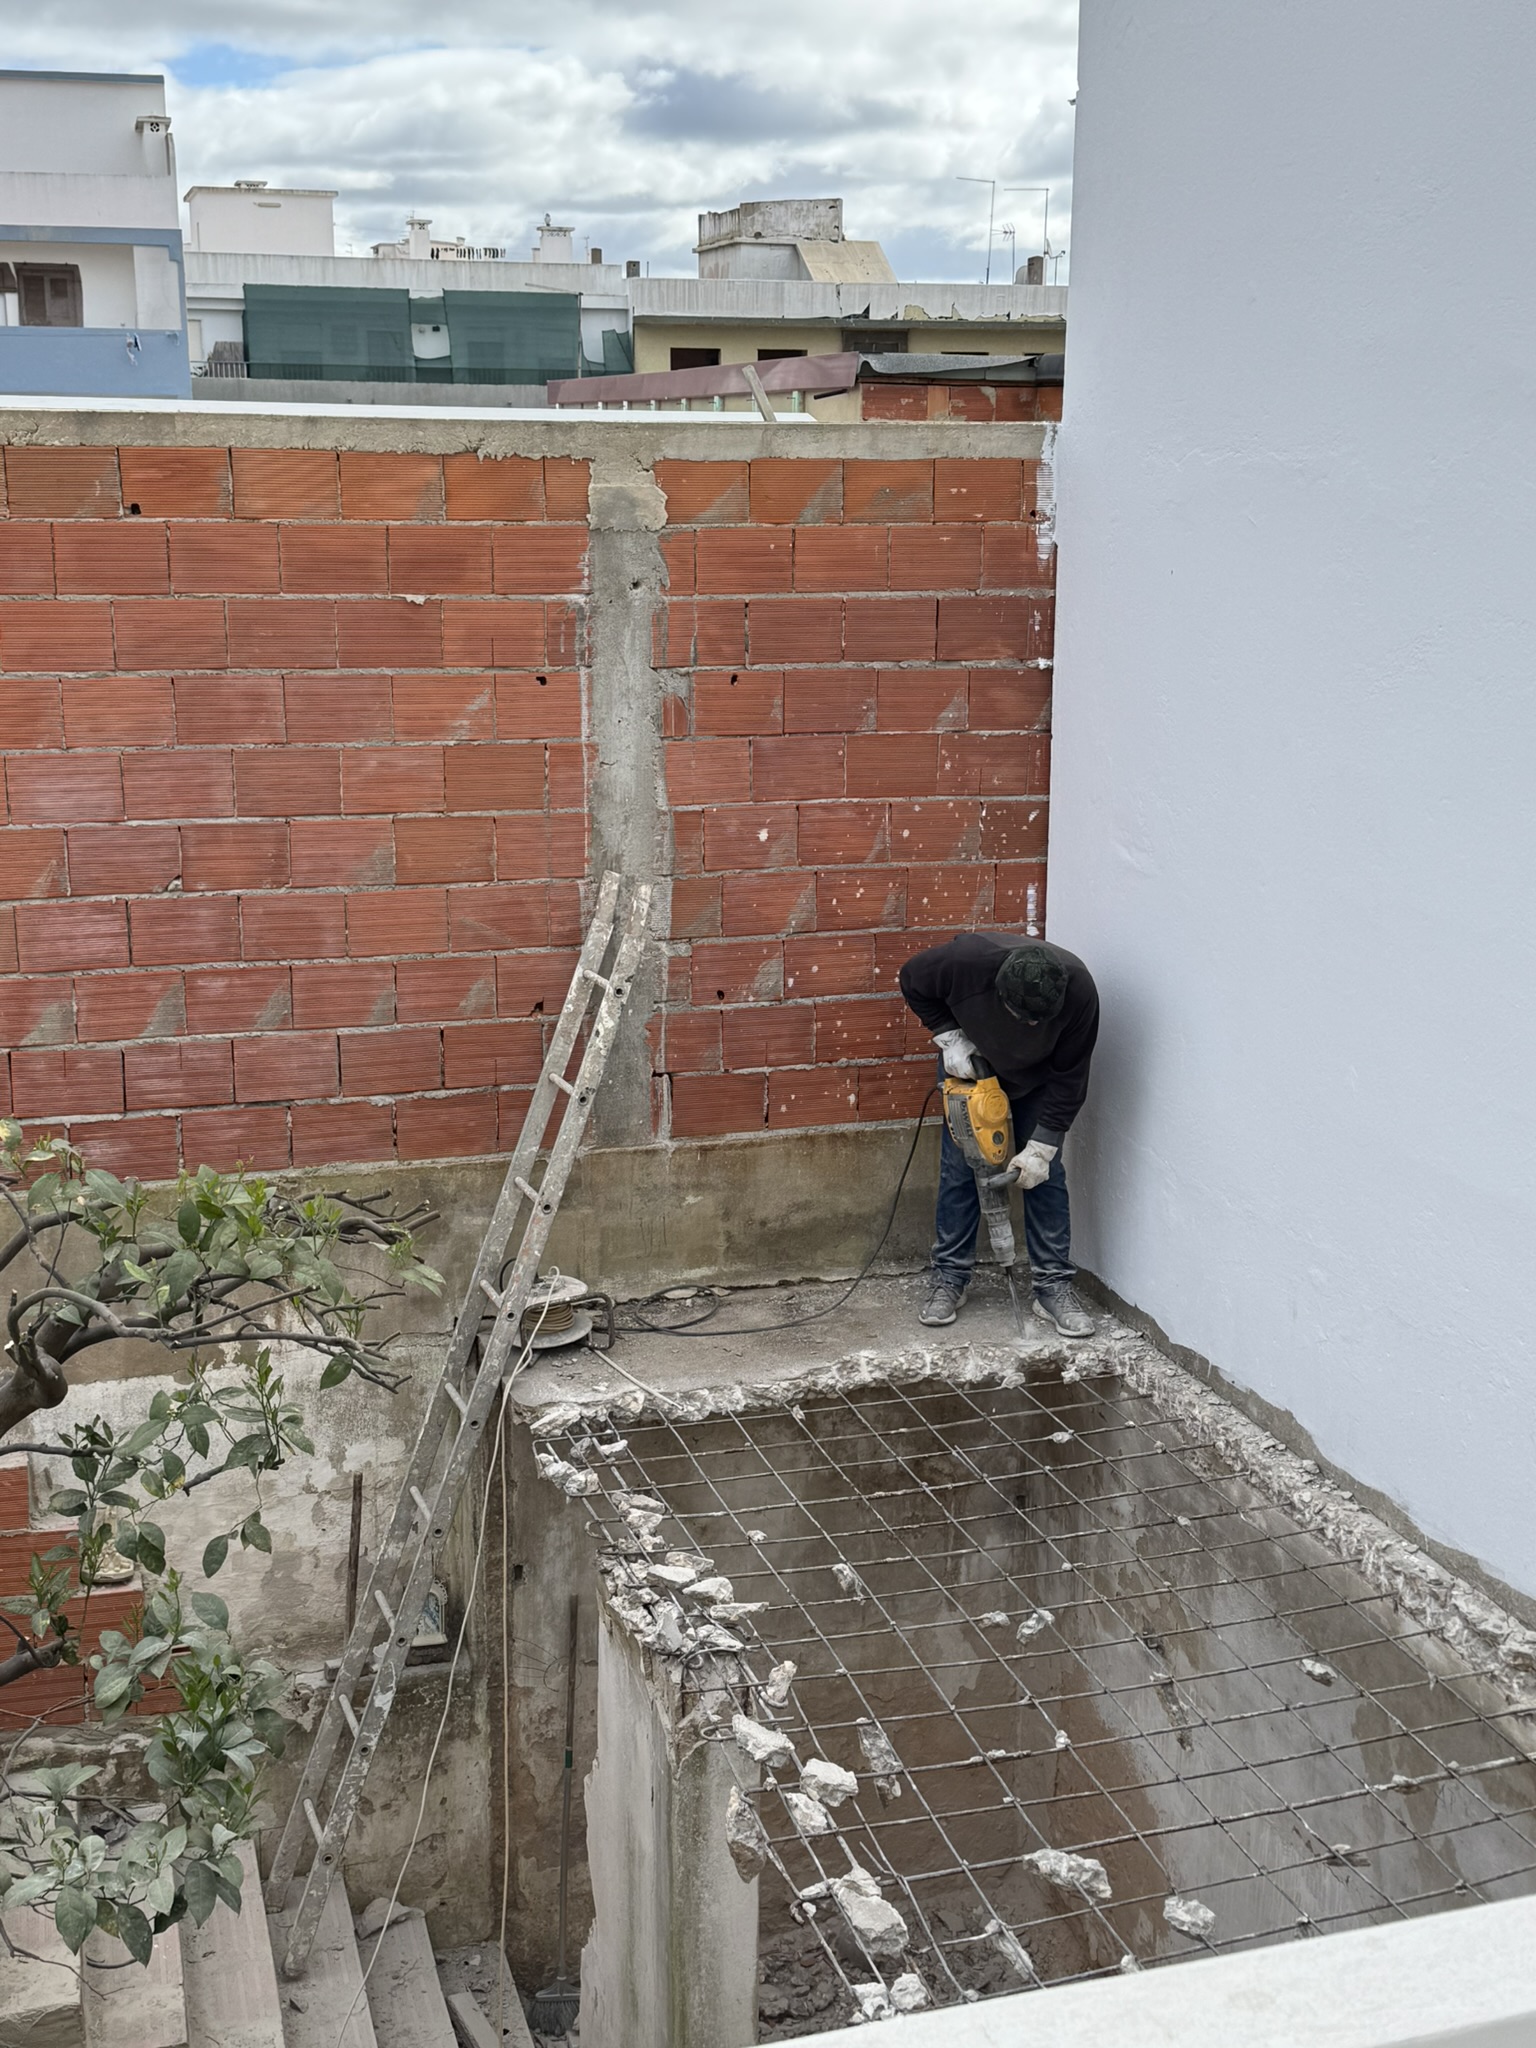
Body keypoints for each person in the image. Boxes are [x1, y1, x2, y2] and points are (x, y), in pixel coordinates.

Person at [898, 933, 1100, 1337]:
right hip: (971, 1067)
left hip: (1038, 1082)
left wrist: (1042, 1147)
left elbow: (1071, 1076)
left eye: (1038, 1020)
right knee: (960, 1171)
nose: (1029, 1025)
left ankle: (1052, 1286)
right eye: (1022, 1016)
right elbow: (911, 980)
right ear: (998, 990)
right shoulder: (965, 962)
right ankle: (949, 1278)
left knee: (1043, 1176)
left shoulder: (1079, 992)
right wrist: (950, 1038)